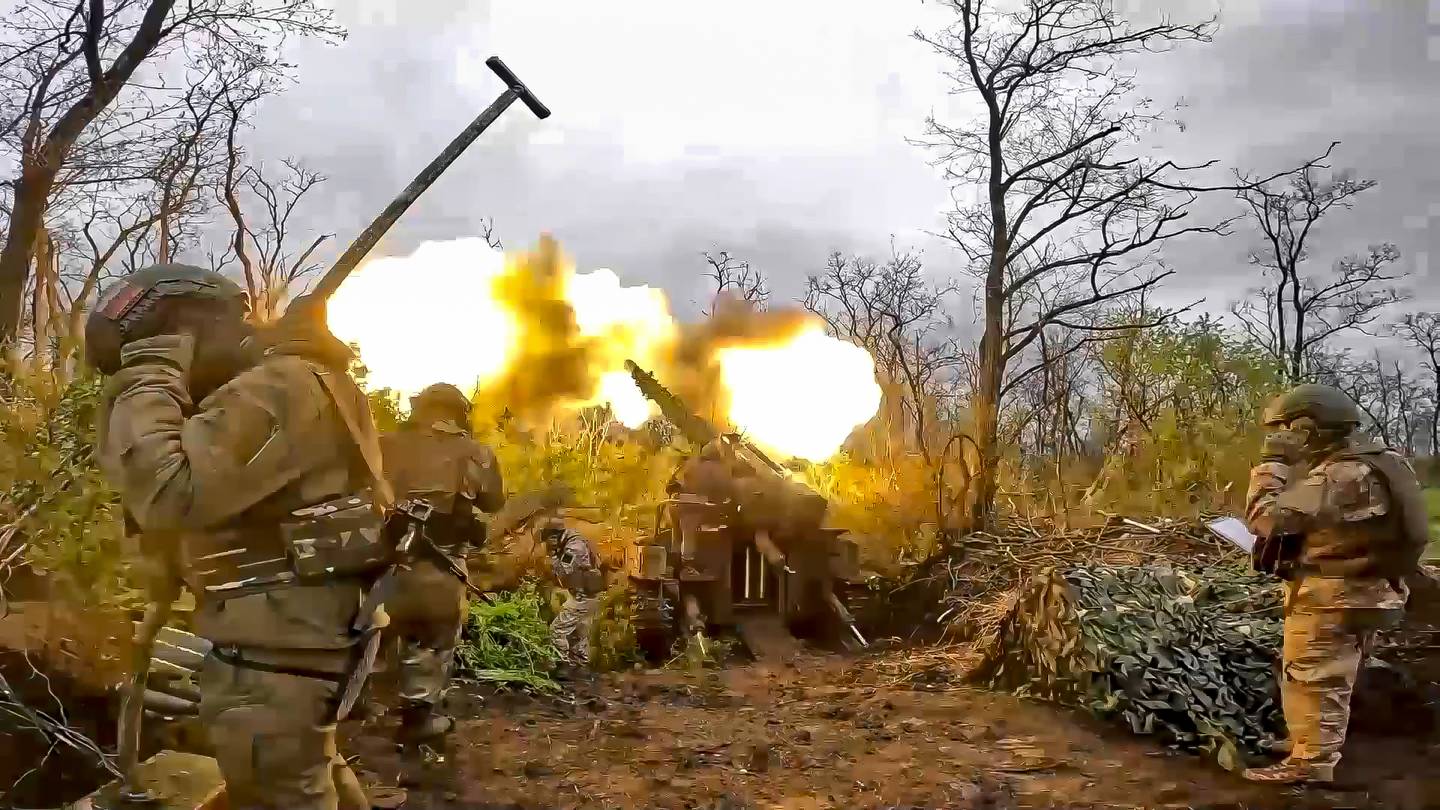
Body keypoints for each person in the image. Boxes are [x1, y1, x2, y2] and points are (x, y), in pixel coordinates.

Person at [90, 264, 390, 810]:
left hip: (278, 654)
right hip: (296, 643)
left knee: (280, 792)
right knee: (304, 776)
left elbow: (167, 491)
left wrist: (148, 372)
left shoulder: (283, 384)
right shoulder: (298, 381)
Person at [1242, 383, 1429, 785]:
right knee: (1331, 673)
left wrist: (1272, 464)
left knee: (1314, 675)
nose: (1280, 437)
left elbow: (1265, 518)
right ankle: (1310, 742)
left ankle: (1311, 762)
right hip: (1374, 586)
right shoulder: (1384, 461)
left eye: (1285, 429)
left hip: (1336, 592)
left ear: (1308, 427)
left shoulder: (1343, 474)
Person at [378, 382, 504, 744]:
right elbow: (494, 501)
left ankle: (360, 710)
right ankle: (417, 719)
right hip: (440, 563)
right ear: (459, 412)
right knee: (432, 639)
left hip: (375, 563)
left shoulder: (384, 444)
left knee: (369, 633)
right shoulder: (475, 453)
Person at [541, 517, 604, 675]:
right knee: (578, 634)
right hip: (582, 596)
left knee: (557, 631)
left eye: (548, 538)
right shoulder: (571, 543)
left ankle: (562, 664)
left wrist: (553, 555)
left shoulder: (574, 547)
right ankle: (580, 668)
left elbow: (562, 570)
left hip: (582, 598)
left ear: (555, 536)